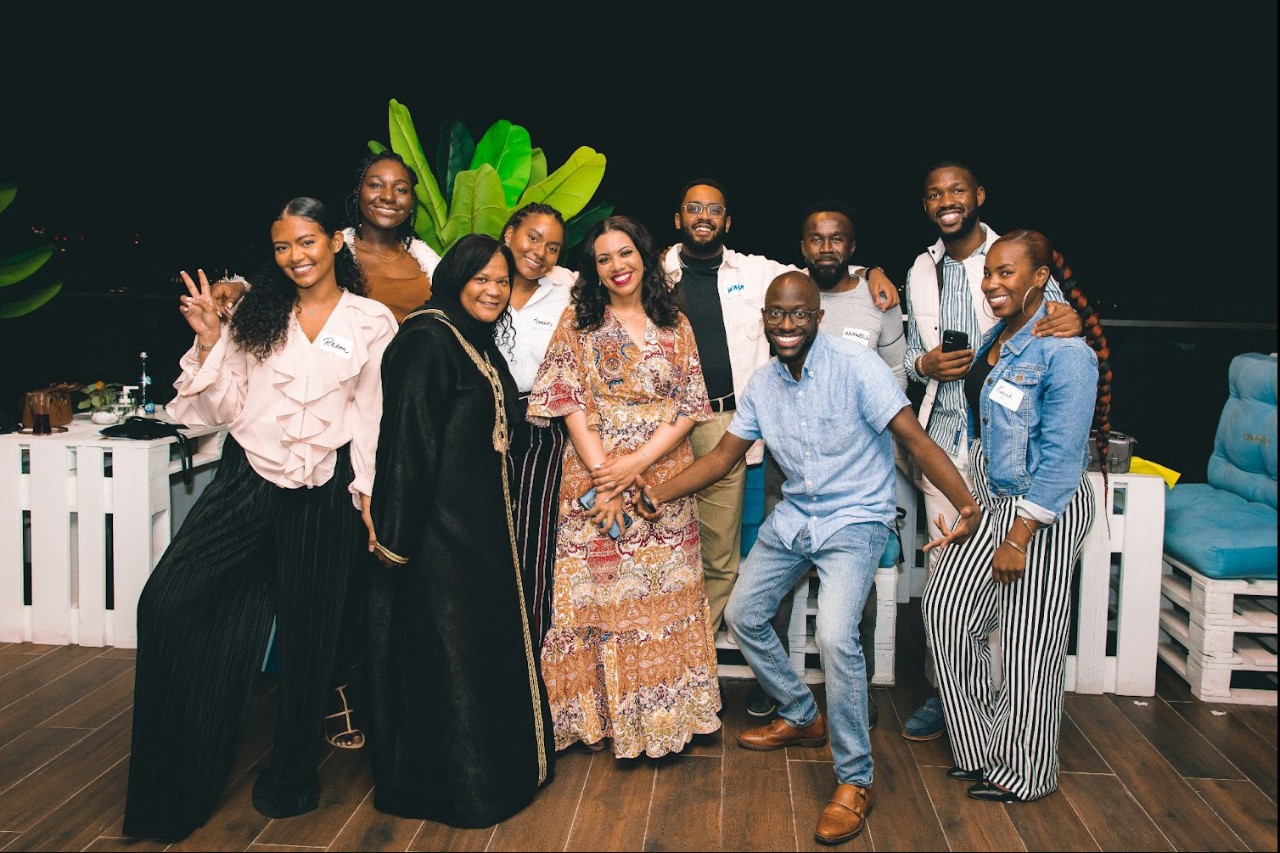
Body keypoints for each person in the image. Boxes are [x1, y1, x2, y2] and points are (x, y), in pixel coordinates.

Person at [632, 271, 980, 845]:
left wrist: (965, 505)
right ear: (765, 319)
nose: (787, 325)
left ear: (817, 319)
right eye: (777, 315)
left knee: (838, 636)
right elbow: (722, 457)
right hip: (797, 517)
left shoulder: (857, 368)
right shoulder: (764, 384)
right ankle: (800, 714)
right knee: (745, 614)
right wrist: (657, 492)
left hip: (856, 518)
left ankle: (855, 779)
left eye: (799, 315)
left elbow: (914, 440)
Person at [123, 197, 396, 842]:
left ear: (334, 242)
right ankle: (175, 775)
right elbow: (220, 407)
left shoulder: (370, 320)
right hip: (248, 480)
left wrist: (367, 494)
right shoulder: (254, 313)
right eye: (282, 246)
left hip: (324, 491)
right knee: (166, 601)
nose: (296, 256)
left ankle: (294, 774)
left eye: (307, 242)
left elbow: (370, 416)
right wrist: (210, 340)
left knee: (312, 636)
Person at [658, 179, 900, 651]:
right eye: (693, 207)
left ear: (728, 221)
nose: (703, 216)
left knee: (727, 560)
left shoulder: (756, 271)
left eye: (714, 209)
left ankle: (706, 666)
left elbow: (823, 269)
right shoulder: (653, 271)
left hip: (745, 429)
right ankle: (682, 663)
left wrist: (872, 270)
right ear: (678, 218)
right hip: (668, 424)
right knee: (679, 549)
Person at [365, 233, 555, 827]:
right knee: (451, 658)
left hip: (483, 531)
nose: (494, 290)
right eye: (482, 279)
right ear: (454, 277)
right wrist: (395, 542)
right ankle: (463, 789)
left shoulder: (469, 337)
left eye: (502, 281)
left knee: (480, 653)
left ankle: (501, 771)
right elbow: (405, 447)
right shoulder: (426, 340)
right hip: (439, 539)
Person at [899, 160, 1082, 742]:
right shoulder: (919, 270)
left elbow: (1061, 331)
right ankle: (952, 704)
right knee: (948, 593)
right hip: (946, 446)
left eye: (957, 190)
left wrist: (1071, 317)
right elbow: (907, 355)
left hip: (1018, 466)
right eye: (934, 194)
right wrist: (922, 365)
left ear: (978, 195)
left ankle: (1011, 718)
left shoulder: (1015, 258)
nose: (946, 200)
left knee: (1018, 612)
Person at [528, 215, 722, 758]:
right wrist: (605, 478)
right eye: (604, 258)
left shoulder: (675, 323)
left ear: (646, 256)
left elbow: (689, 405)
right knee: (596, 598)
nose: (617, 266)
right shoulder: (578, 321)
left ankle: (663, 720)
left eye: (626, 253)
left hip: (662, 478)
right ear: (593, 269)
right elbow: (566, 399)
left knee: (661, 598)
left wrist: (634, 463)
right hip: (592, 473)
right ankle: (598, 721)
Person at [922, 229, 1097, 803]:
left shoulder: (1066, 349)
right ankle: (979, 748)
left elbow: (1064, 456)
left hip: (1042, 508)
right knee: (945, 612)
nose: (992, 284)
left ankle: (1022, 771)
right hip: (992, 497)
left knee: (1027, 644)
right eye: (988, 274)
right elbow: (989, 434)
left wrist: (1019, 534)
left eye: (1006, 273)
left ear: (1039, 277)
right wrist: (974, 508)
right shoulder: (1002, 333)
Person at [749, 199, 909, 722]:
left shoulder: (877, 298)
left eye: (836, 239)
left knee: (849, 602)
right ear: (801, 249)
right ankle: (778, 691)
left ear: (853, 247)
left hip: (855, 468)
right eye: (816, 240)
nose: (826, 248)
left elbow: (896, 378)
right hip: (790, 463)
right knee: (772, 588)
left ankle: (852, 694)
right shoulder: (787, 288)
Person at [498, 202, 576, 643]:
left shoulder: (565, 289)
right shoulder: (482, 282)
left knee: (535, 539)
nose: (540, 253)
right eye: (532, 237)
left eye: (553, 248)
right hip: (480, 423)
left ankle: (529, 647)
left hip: (542, 426)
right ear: (510, 232)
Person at [343, 149, 442, 322]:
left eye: (401, 190)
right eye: (376, 185)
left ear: (411, 201)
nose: (388, 197)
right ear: (358, 192)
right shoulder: (335, 256)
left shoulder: (429, 263)